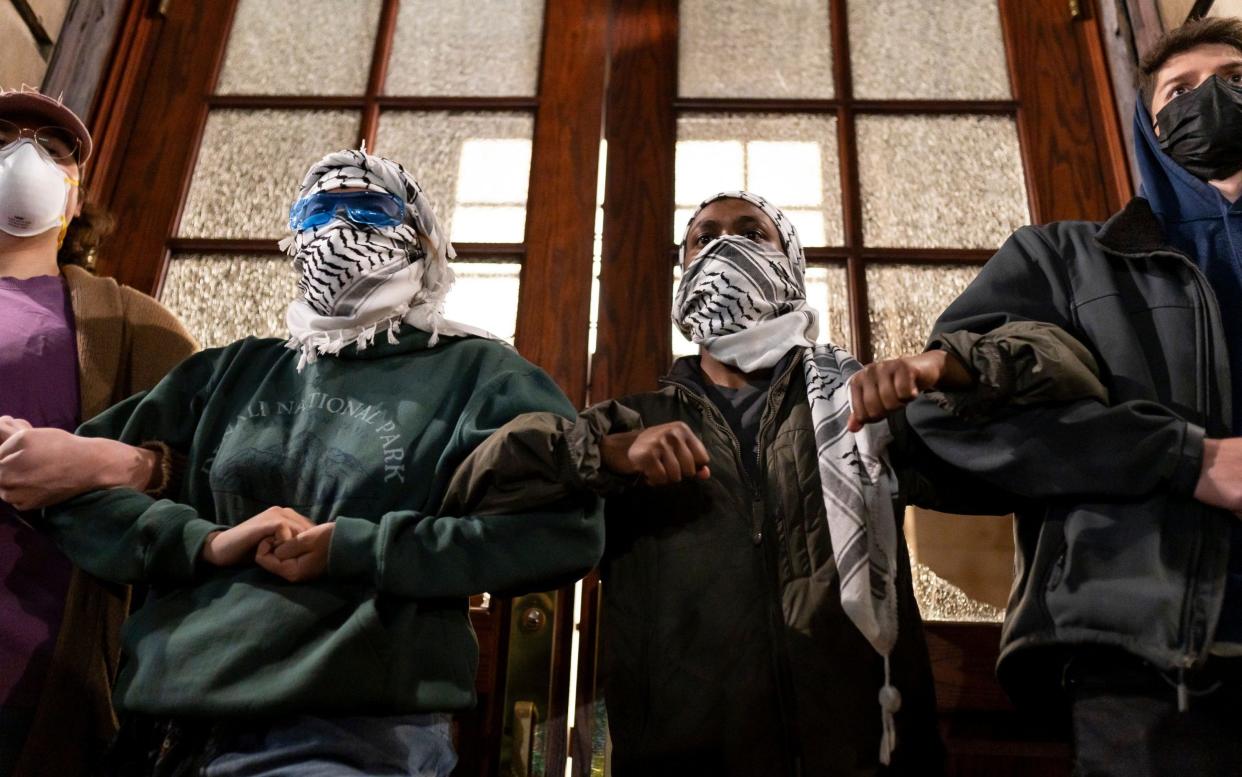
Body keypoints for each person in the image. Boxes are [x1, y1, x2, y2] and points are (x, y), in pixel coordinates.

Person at [450, 190, 1108, 776]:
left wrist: (948, 365)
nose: (724, 243)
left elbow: (1065, 373)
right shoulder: (637, 422)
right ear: (684, 273)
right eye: (703, 237)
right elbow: (480, 480)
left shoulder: (862, 407)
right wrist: (609, 452)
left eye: (750, 231)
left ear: (790, 264)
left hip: (865, 753)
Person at [9, 147, 602, 776]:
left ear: (423, 237)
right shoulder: (233, 369)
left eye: (366, 207)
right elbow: (69, 491)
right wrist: (204, 543)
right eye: (317, 210)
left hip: (348, 736)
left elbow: (563, 530)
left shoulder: (480, 375)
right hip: (163, 730)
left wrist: (360, 550)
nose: (336, 228)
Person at [904, 17, 1242, 776]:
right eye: (1180, 90)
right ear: (1147, 125)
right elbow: (949, 409)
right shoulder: (1063, 260)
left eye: (1234, 81)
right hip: (1143, 650)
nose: (1212, 100)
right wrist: (1190, 457)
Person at [0, 87, 197, 777]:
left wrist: (110, 463)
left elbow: (218, 466)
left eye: (52, 151)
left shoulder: (132, 329)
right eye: (2, 139)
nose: (23, 158)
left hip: (46, 681)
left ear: (75, 198)